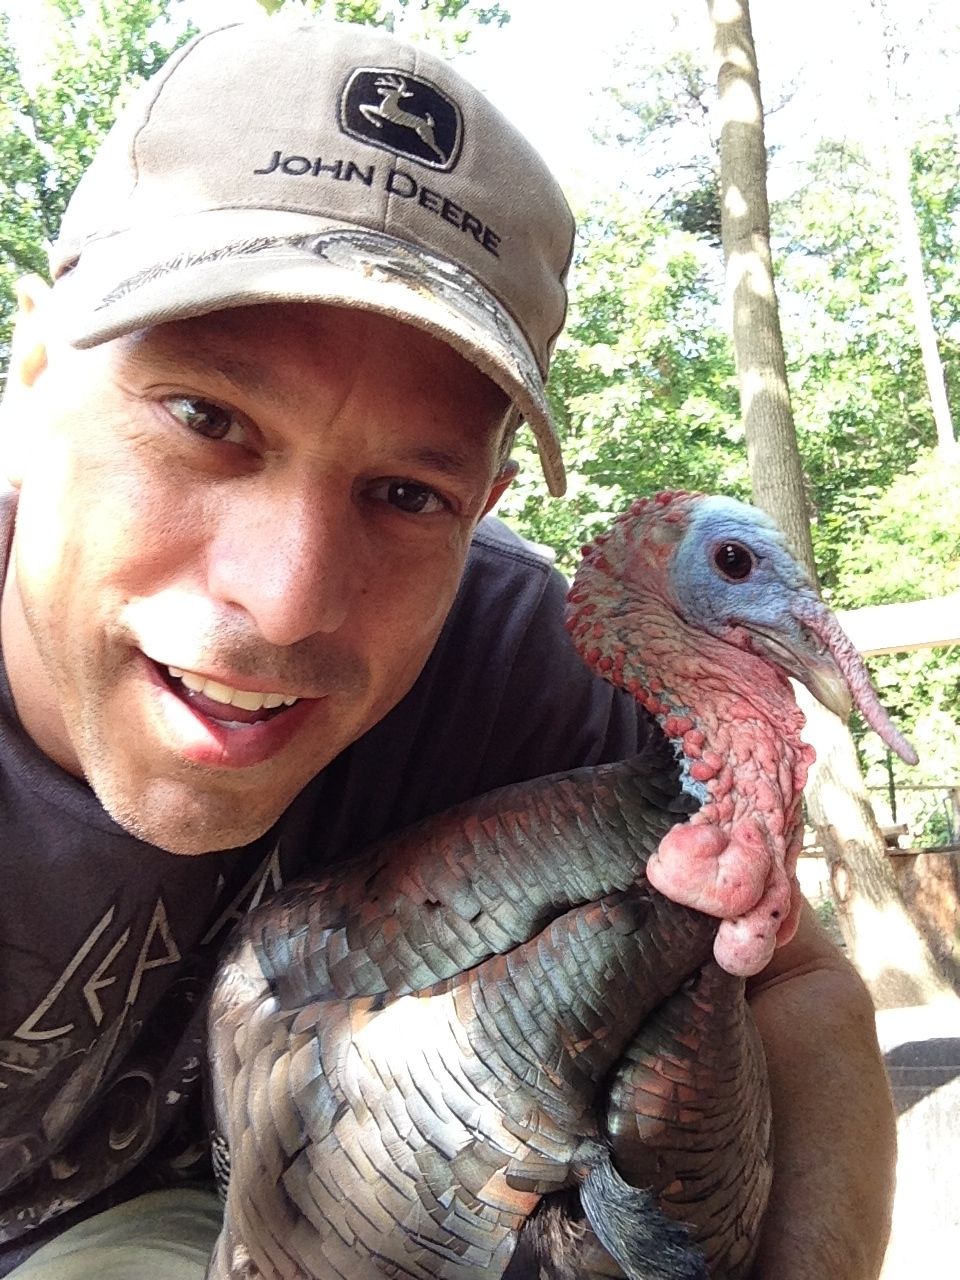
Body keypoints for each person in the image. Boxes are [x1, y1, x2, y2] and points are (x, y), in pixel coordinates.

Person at [0, 14, 894, 1280]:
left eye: (407, 492)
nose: (288, 600)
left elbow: (800, 985)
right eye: (207, 417)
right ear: (33, 375)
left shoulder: (526, 664)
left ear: (482, 507)